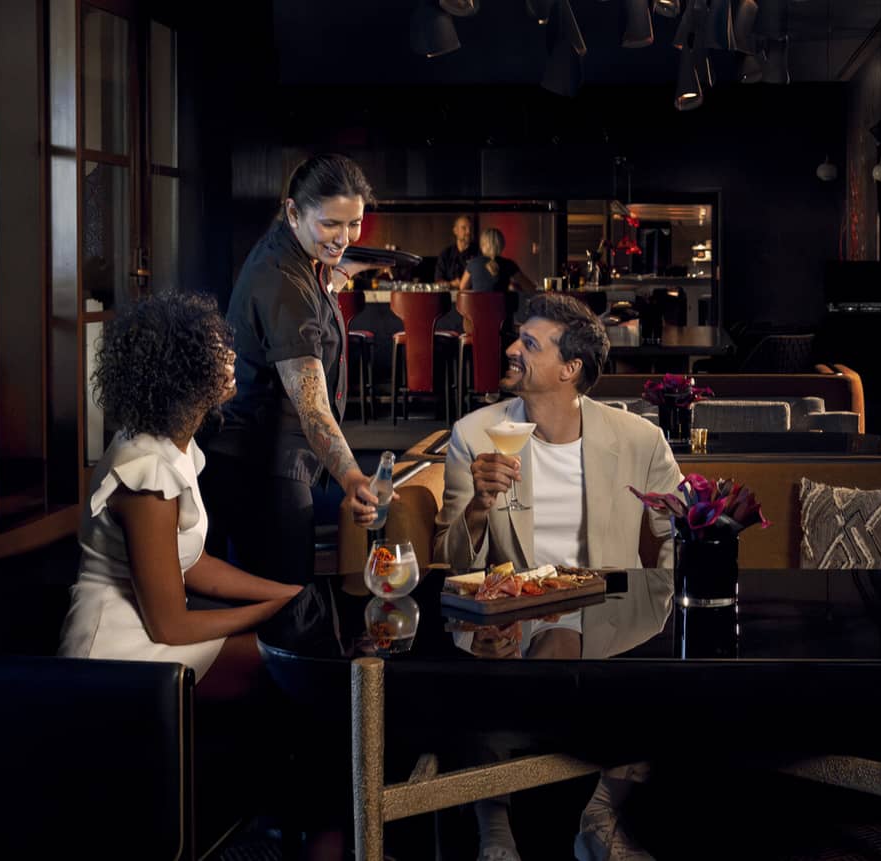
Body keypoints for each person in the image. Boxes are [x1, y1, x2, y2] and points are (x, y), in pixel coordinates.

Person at [433, 293, 680, 861]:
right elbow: (451, 560)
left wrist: (659, 597)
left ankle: (597, 810)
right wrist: (479, 505)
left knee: (667, 684)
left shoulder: (638, 439)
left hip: (611, 608)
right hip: (513, 609)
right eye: (517, 337)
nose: (511, 349)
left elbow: (679, 527)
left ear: (570, 369)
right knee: (496, 666)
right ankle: (496, 824)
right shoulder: (476, 434)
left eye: (530, 344)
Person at [58, 291, 302, 699]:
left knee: (296, 649)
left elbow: (193, 564)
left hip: (151, 634)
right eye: (215, 352)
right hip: (116, 655)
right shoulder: (147, 476)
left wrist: (289, 594)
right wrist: (274, 612)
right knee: (287, 663)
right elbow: (169, 627)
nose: (230, 357)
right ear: (182, 372)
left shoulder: (174, 444)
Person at [200, 153, 392, 586]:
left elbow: (314, 301)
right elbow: (313, 408)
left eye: (354, 223)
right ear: (293, 212)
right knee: (288, 596)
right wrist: (352, 477)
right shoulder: (282, 281)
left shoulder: (295, 253)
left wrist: (339, 274)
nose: (344, 237)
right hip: (261, 465)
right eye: (331, 224)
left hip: (275, 456)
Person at [458, 227, 538, 294]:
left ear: (482, 245)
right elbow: (530, 288)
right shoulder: (509, 264)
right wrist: (515, 286)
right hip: (502, 308)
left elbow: (462, 288)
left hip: (476, 308)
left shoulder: (473, 263)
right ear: (502, 245)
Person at [435, 214, 482, 287]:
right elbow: (438, 281)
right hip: (449, 294)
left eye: (470, 228)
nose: (468, 232)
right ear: (455, 231)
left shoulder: (479, 252)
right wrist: (451, 284)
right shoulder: (445, 254)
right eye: (464, 228)